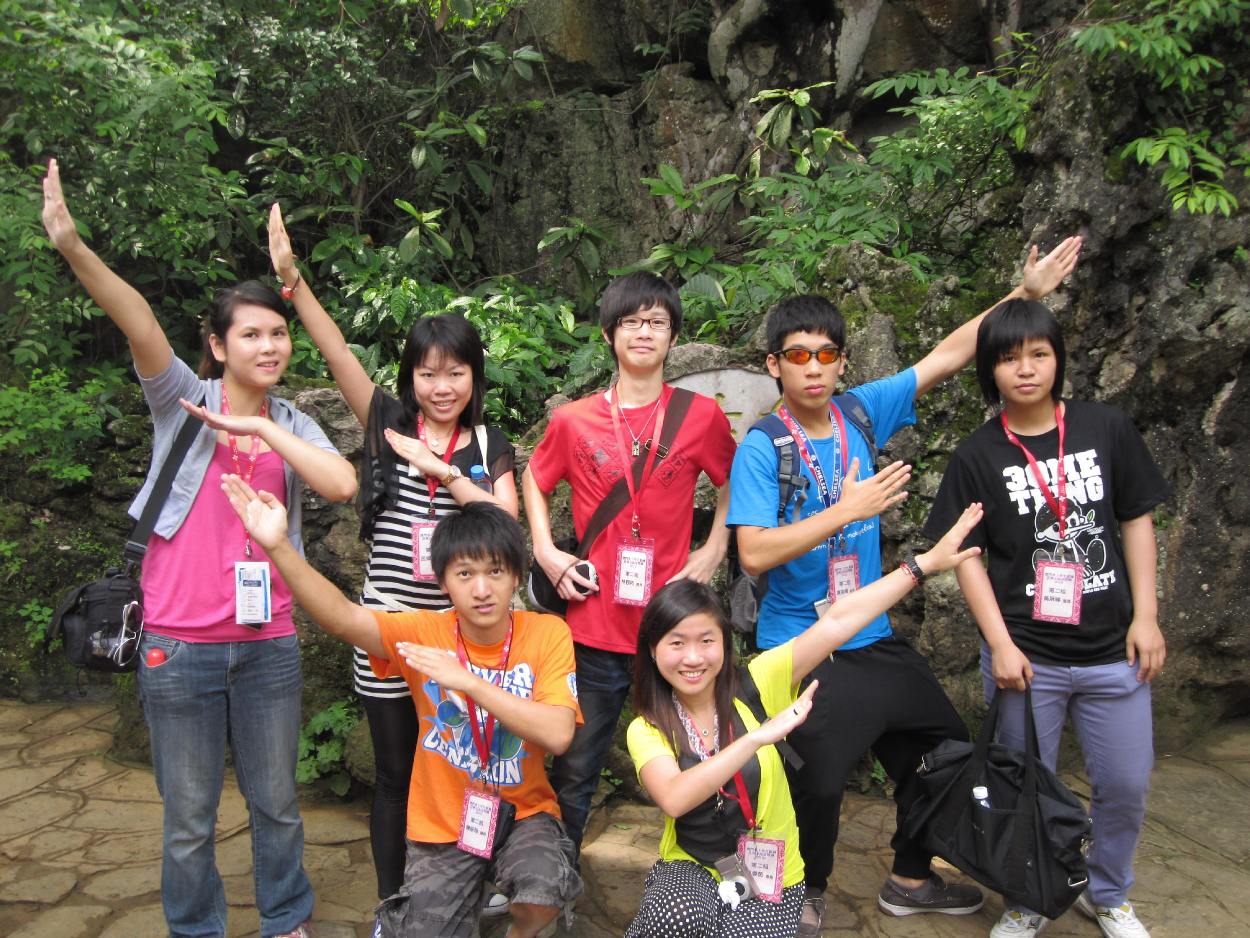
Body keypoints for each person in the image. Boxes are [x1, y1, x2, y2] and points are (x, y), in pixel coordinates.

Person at [726, 236, 1082, 935]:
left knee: (944, 749)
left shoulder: (861, 413)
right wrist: (845, 511)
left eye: (826, 354)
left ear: (842, 362)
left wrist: (1026, 294)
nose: (813, 368)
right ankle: (805, 891)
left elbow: (947, 355)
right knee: (818, 779)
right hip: (803, 645)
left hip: (875, 634)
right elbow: (754, 553)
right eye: (797, 355)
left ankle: (911, 877)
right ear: (774, 365)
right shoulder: (764, 446)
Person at [41, 159, 358, 938]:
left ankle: (285, 918)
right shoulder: (181, 399)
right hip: (177, 645)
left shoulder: (291, 423)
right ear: (217, 345)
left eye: (278, 332)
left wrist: (261, 430)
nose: (269, 344)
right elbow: (139, 322)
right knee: (187, 816)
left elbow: (342, 484)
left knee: (276, 802)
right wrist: (74, 246)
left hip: (268, 644)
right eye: (250, 333)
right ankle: (196, 929)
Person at [267, 205, 518, 917]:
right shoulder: (385, 422)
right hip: (388, 630)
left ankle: (467, 891)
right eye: (428, 374)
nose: (442, 387)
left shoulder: (488, 444)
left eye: (456, 373)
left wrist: (444, 473)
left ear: (474, 376)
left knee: (468, 768)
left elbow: (508, 528)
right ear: (411, 378)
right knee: (396, 774)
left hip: (465, 639)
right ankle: (393, 904)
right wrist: (292, 282)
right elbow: (336, 352)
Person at [219, 487, 582, 938]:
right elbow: (342, 618)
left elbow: (558, 734)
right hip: (443, 822)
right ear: (443, 582)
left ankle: (518, 929)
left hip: (526, 814)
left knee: (544, 888)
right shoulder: (424, 632)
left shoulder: (547, 633)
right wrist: (277, 547)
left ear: (515, 577)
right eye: (464, 573)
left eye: (495, 571)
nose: (482, 589)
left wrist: (469, 683)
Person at [923, 299, 1168, 938]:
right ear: (990, 370)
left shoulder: (1106, 428)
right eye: (1009, 359)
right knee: (1022, 788)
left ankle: (1107, 894)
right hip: (1026, 659)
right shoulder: (977, 456)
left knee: (1125, 785)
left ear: (1058, 358)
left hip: (1113, 651)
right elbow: (966, 557)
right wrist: (999, 644)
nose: (1026, 369)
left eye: (1039, 354)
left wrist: (1147, 616)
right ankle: (1028, 896)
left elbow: (1136, 520)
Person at [626, 505, 986, 937]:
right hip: (693, 864)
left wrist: (922, 565)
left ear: (724, 643)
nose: (693, 658)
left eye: (706, 640)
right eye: (676, 643)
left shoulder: (758, 682)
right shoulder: (648, 727)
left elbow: (839, 621)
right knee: (673, 916)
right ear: (652, 650)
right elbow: (675, 798)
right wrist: (755, 739)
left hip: (769, 869)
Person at [522, 271, 738, 858]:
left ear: (673, 336)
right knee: (576, 764)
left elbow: (732, 483)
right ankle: (555, 877)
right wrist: (545, 549)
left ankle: (706, 875)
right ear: (608, 334)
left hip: (673, 628)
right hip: (594, 625)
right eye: (632, 322)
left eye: (657, 322)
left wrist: (715, 546)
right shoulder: (573, 419)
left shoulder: (700, 416)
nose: (644, 332)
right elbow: (535, 479)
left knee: (703, 758)